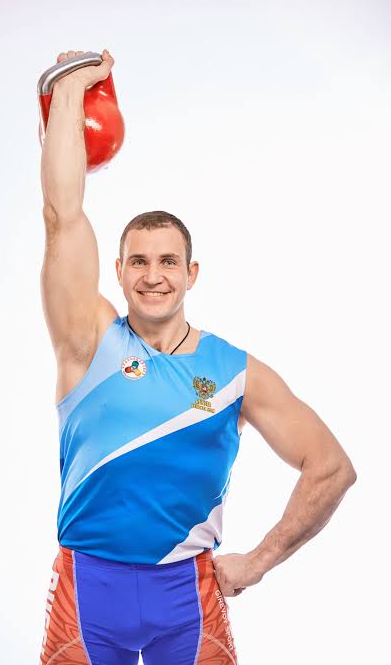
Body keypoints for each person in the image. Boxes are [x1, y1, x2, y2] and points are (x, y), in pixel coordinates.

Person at [38, 49, 357, 665]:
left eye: (168, 262)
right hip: (86, 592)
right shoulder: (88, 341)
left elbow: (331, 467)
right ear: (119, 271)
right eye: (138, 261)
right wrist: (71, 89)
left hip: (188, 598)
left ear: (192, 274)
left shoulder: (235, 373)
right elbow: (62, 217)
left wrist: (258, 561)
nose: (153, 275)